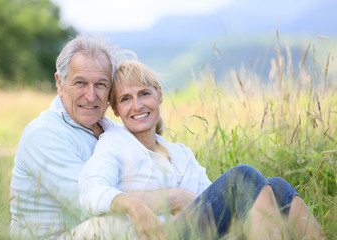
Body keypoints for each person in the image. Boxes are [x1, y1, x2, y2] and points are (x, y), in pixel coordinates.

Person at [78, 60, 325, 240]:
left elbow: (211, 202)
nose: (138, 105)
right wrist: (136, 206)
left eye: (144, 93)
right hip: (162, 235)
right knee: (242, 179)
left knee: (277, 185)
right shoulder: (115, 142)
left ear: (159, 95)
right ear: (115, 109)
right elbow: (91, 190)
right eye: (126, 99)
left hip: (195, 231)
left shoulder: (180, 153)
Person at [9, 34, 124, 239]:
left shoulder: (113, 131)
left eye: (100, 84)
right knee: (118, 224)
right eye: (80, 83)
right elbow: (93, 204)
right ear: (60, 84)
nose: (90, 96)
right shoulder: (43, 134)